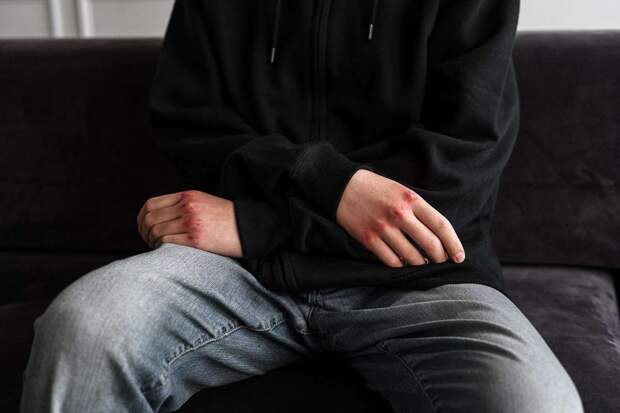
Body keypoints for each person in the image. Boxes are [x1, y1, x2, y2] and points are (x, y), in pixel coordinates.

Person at [20, 0, 584, 412]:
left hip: (418, 279)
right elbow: (190, 128)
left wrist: (258, 225)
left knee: (537, 403)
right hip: (238, 273)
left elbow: (455, 182)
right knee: (84, 330)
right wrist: (333, 186)